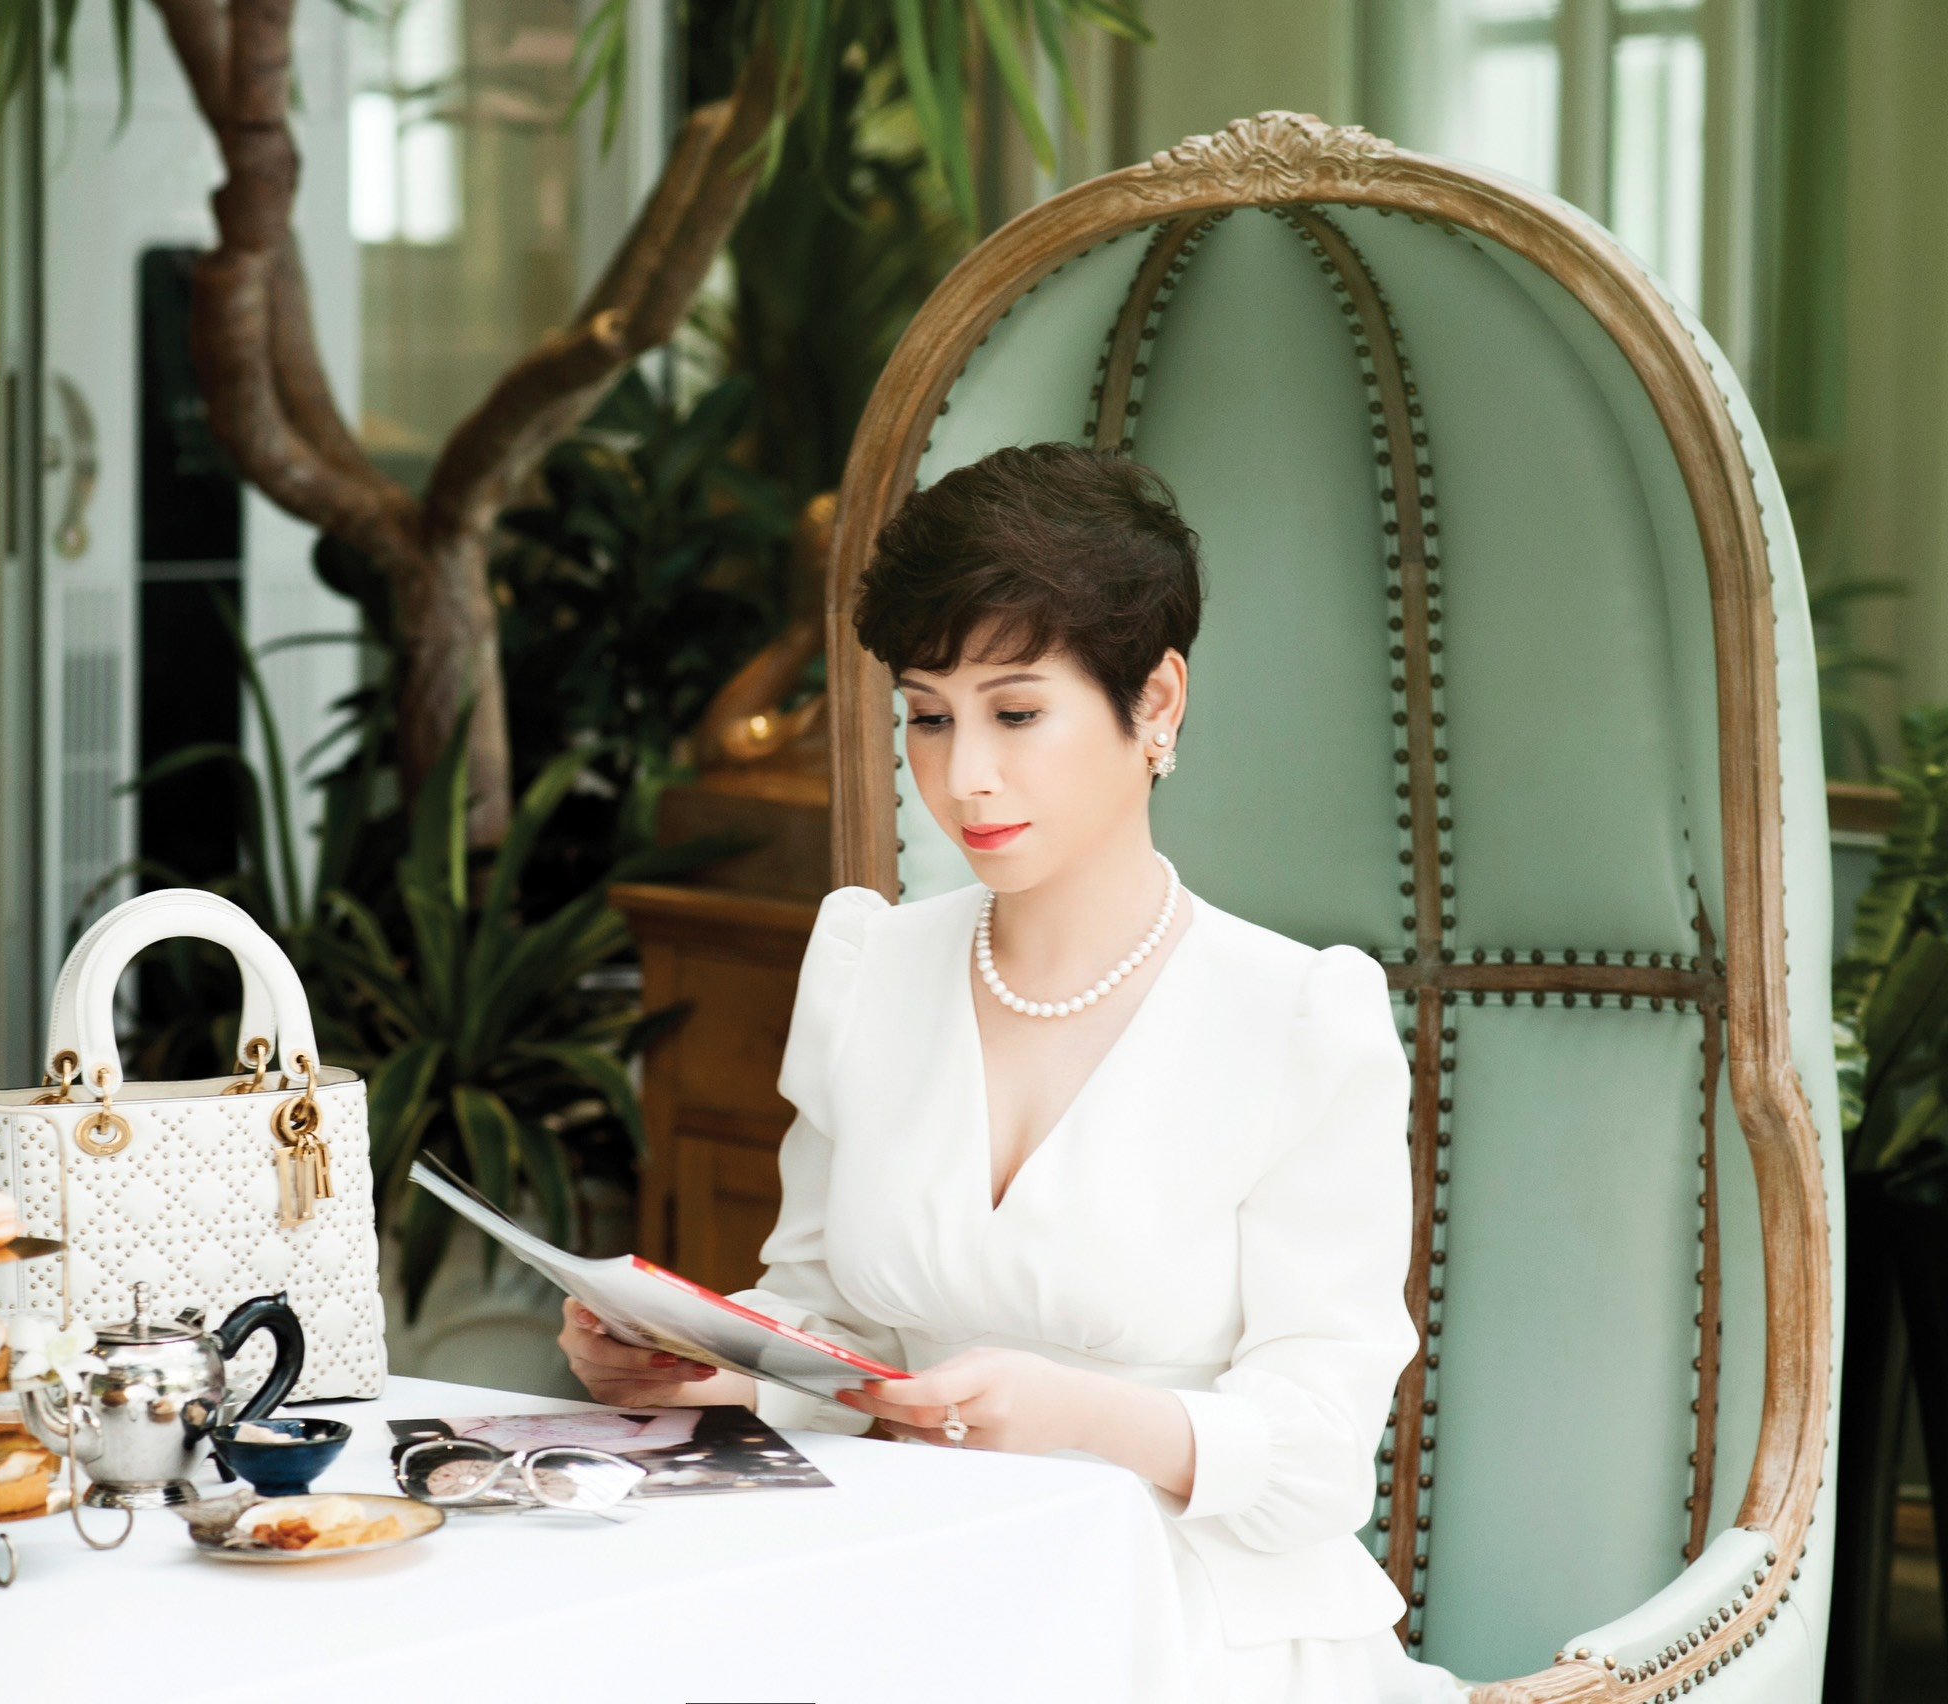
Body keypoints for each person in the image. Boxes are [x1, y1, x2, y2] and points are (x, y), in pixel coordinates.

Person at [558, 444, 1466, 1703]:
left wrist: (1082, 1416)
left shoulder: (1298, 1018)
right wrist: (696, 1365)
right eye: (929, 716)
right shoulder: (868, 966)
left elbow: (1317, 1460)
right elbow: (826, 1328)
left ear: (1156, 703)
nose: (962, 775)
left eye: (1016, 712)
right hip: (917, 1577)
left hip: (1185, 1625)